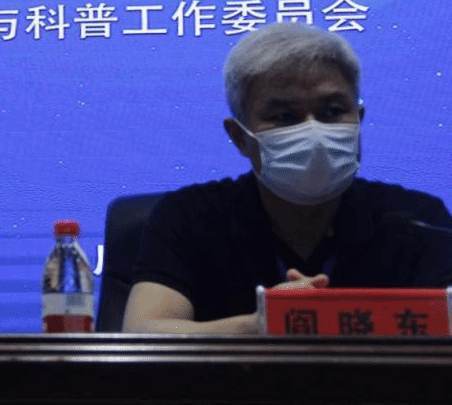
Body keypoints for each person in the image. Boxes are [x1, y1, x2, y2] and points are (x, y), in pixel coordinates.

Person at [123, 22, 452, 334]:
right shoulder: (189, 217)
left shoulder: (417, 221)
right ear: (240, 137)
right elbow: (142, 332)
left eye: (332, 112)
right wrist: (259, 326)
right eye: (285, 116)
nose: (313, 132)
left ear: (359, 119)